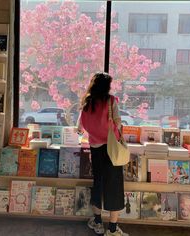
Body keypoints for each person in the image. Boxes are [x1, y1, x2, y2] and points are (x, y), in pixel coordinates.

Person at [77, 72, 128, 236]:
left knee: (98, 182)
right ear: (107, 86)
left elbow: (80, 128)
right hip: (112, 148)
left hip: (95, 148)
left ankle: (98, 222)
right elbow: (118, 122)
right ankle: (112, 229)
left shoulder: (87, 101)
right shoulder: (111, 100)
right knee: (114, 184)